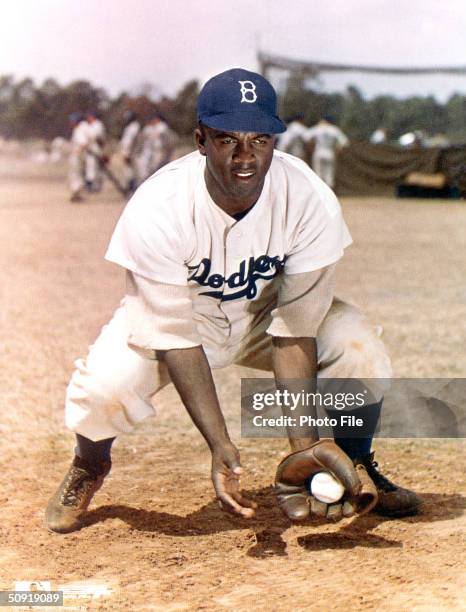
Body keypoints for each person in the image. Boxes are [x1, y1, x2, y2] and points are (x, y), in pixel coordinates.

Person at [46, 68, 422, 533]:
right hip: (186, 317)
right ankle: (89, 464)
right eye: (228, 141)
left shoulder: (308, 198)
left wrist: (302, 447)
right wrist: (220, 445)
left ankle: (358, 464)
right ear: (201, 140)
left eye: (259, 140)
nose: (246, 156)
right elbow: (175, 336)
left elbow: (295, 328)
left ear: (273, 142)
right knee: (105, 386)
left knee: (359, 348)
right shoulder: (158, 205)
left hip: (268, 313)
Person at [305, 115, 349, 189]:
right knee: (329, 175)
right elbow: (345, 142)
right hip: (329, 152)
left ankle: (320, 194)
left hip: (318, 152)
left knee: (318, 174)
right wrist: (337, 152)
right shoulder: (334, 129)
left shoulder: (317, 128)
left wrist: (311, 149)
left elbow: (306, 138)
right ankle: (329, 194)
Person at [136, 113, 177, 184]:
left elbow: (170, 143)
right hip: (150, 154)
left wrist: (167, 155)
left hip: (161, 153)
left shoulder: (163, 128)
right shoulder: (149, 129)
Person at [67, 112, 89, 203]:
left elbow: (83, 142)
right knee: (77, 175)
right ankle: (76, 194)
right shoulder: (82, 128)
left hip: (77, 157)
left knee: (75, 175)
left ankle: (75, 194)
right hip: (80, 156)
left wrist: (77, 151)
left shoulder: (79, 130)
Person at [118, 111, 141, 194]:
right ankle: (130, 187)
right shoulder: (130, 127)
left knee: (131, 171)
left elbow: (129, 141)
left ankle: (133, 188)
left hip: (131, 152)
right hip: (128, 151)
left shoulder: (134, 127)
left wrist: (127, 153)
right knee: (128, 171)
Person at [85, 111, 106, 192]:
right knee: (90, 167)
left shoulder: (98, 124)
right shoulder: (90, 125)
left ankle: (93, 186)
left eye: (89, 116)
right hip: (90, 149)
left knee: (94, 168)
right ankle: (90, 186)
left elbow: (95, 137)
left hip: (96, 149)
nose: (88, 118)